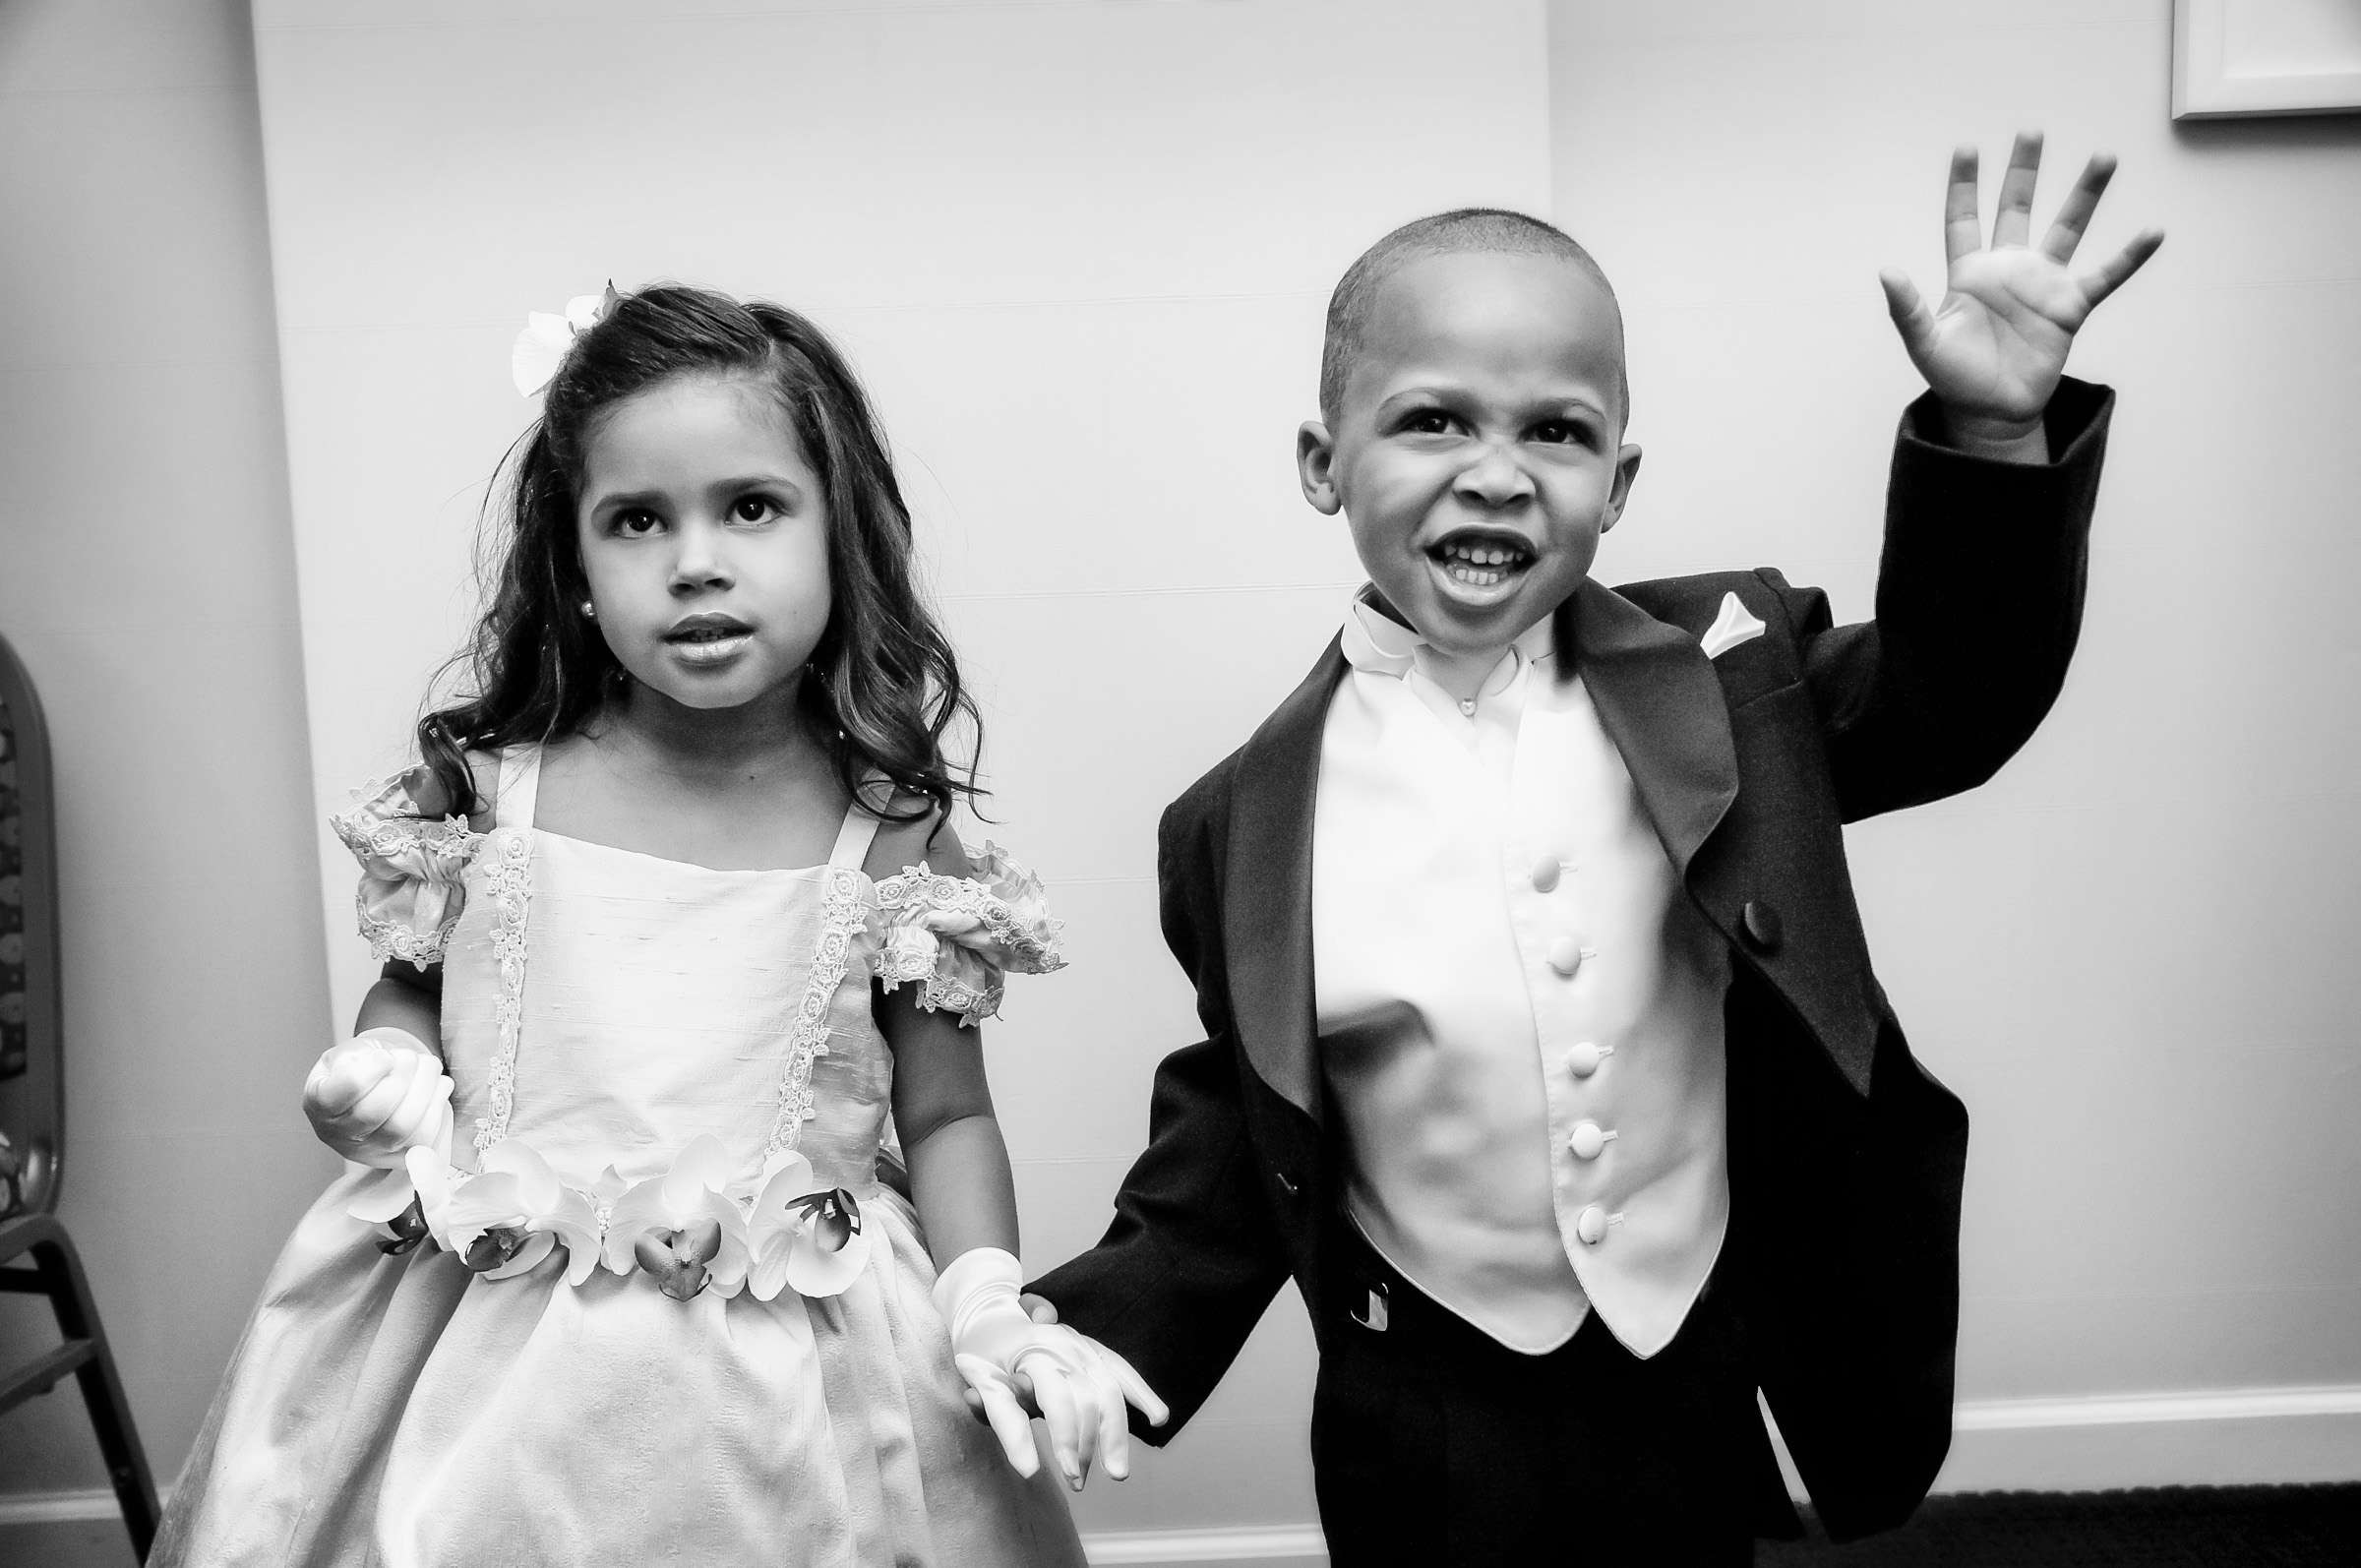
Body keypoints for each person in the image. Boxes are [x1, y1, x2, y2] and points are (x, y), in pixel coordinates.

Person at [1030, 134, 2160, 1564]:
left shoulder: (1731, 676)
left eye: (1555, 432)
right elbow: (1234, 1135)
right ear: (1325, 461)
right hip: (1418, 1391)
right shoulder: (1235, 820)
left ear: (1618, 483)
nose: (1498, 473)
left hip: (1682, 1347)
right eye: (1433, 420)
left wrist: (1992, 441)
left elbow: (1958, 697)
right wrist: (1082, 1329)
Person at [152, 283, 1161, 1568]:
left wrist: (985, 1303)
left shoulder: (893, 830)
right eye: (637, 519)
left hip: (806, 1376)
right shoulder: (486, 788)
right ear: (572, 566)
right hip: (497, 1354)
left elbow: (948, 1110)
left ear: (836, 533)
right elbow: (410, 994)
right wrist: (388, 1063)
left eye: (749, 506)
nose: (695, 559)